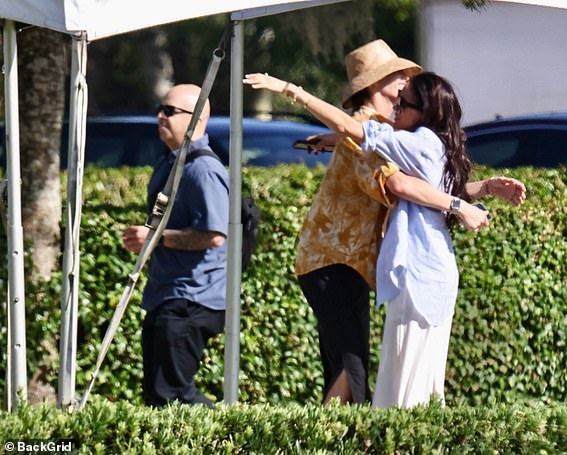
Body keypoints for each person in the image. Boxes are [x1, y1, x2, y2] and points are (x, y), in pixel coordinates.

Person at [244, 40, 525, 406]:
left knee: (349, 366)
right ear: (379, 84)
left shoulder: (387, 133)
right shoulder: (370, 126)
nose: (405, 85)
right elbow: (400, 184)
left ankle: (335, 437)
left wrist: (479, 191)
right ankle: (329, 437)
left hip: (343, 260)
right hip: (334, 260)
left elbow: (420, 185)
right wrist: (461, 205)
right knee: (353, 369)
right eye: (399, 79)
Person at [122, 84, 229, 407]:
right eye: (160, 109)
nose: (160, 116)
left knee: (172, 394)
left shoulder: (204, 170)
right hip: (166, 295)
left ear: (195, 118)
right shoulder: (170, 163)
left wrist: (155, 238)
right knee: (158, 395)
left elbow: (214, 234)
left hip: (191, 298)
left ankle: (229, 434)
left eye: (169, 111)